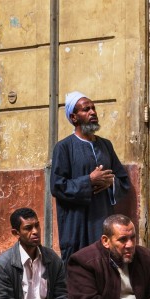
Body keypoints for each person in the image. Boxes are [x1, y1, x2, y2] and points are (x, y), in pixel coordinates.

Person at [50, 91, 131, 262]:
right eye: (86, 109)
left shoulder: (106, 145)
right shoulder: (63, 147)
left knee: (105, 263)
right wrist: (89, 181)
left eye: (93, 108)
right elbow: (57, 186)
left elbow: (123, 180)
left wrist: (111, 182)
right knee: (79, 268)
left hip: (102, 217)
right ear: (74, 117)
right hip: (75, 223)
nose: (92, 112)